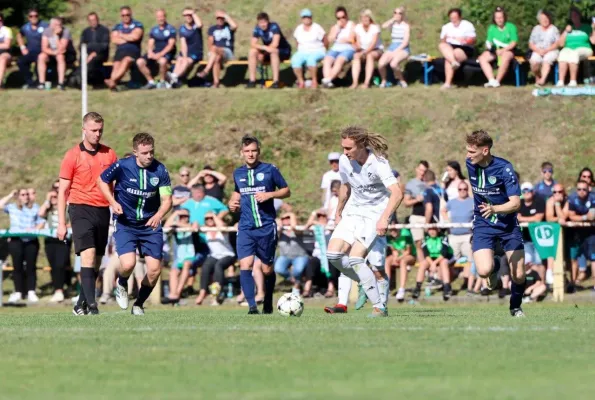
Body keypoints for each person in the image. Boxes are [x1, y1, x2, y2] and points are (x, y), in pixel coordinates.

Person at [323, 126, 403, 317]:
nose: (345, 152)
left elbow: (397, 192)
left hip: (374, 215)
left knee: (355, 258)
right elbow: (345, 186)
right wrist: (339, 211)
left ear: (361, 145)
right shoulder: (344, 161)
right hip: (353, 213)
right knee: (333, 255)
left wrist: (384, 218)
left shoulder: (379, 163)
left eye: (348, 148)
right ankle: (365, 281)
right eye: (343, 147)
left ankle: (379, 306)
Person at [97, 133, 173, 315]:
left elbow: (167, 199)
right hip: (126, 223)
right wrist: (112, 203)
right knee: (128, 264)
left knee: (154, 270)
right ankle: (121, 282)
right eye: (145, 153)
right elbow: (101, 181)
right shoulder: (122, 166)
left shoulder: (160, 170)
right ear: (135, 153)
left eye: (151, 152)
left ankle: (138, 304)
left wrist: (160, 214)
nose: (149, 156)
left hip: (150, 225)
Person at [57, 112, 117, 315]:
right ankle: (93, 306)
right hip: (80, 208)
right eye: (93, 130)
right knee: (88, 256)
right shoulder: (72, 155)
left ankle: (80, 304)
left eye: (100, 130)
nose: (97, 134)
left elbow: (115, 184)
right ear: (84, 130)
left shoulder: (109, 154)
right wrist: (61, 223)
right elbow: (62, 191)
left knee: (98, 261)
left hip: (102, 210)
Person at [465, 129, 526, 317]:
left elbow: (516, 203)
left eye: (471, 151)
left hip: (508, 226)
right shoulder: (470, 163)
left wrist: (495, 209)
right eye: (467, 150)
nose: (467, 155)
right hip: (483, 224)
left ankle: (515, 307)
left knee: (519, 275)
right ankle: (495, 268)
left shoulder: (504, 168)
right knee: (484, 270)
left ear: (485, 151)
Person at [228, 135, 290, 314]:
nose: (250, 154)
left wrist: (270, 195)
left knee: (266, 268)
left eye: (253, 150)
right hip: (246, 227)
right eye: (247, 151)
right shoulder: (238, 173)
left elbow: (286, 191)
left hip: (266, 226)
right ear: (241, 153)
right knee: (245, 264)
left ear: (258, 151)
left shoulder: (270, 169)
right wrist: (232, 203)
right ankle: (252, 306)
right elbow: (236, 192)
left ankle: (268, 299)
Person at [0, 189, 45, 304]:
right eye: (23, 194)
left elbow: (41, 221)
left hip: (31, 240)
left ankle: (31, 292)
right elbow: (1, 205)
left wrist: (35, 229)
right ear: (18, 196)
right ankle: (18, 292)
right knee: (17, 267)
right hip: (16, 240)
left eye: (27, 194)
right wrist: (11, 194)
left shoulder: (35, 207)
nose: (26, 197)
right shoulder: (12, 207)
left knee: (31, 267)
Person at [39, 188, 71, 303]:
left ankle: (59, 291)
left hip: (62, 240)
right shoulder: (48, 210)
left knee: (60, 265)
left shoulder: (66, 209)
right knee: (54, 266)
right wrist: (47, 200)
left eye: (55, 197)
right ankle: (57, 289)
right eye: (51, 197)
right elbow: (40, 213)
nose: (53, 199)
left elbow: (72, 222)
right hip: (50, 241)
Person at [198, 212, 236, 305]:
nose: (209, 220)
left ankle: (217, 294)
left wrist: (215, 216)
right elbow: (195, 226)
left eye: (211, 218)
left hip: (228, 254)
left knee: (218, 266)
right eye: (207, 218)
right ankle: (202, 293)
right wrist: (195, 224)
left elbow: (221, 225)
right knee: (206, 267)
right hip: (214, 255)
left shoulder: (222, 228)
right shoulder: (205, 229)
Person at [163, 208, 199, 304]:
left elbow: (194, 228)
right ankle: (172, 294)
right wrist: (175, 213)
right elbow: (166, 226)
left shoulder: (193, 223)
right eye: (181, 216)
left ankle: (177, 294)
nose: (183, 218)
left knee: (186, 265)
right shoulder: (174, 225)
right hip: (179, 257)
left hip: (190, 255)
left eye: (186, 216)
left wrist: (178, 223)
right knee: (173, 272)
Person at [443, 180, 474, 290]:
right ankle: (448, 284)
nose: (462, 191)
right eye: (460, 189)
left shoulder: (472, 201)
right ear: (457, 190)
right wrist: (448, 222)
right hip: (454, 236)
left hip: (467, 236)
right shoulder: (452, 202)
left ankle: (467, 283)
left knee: (470, 260)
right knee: (449, 260)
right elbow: (443, 210)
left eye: (465, 189)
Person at [104, 6, 144, 91]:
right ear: (121, 16)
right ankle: (113, 84)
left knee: (127, 60)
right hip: (120, 51)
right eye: (123, 15)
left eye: (127, 14)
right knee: (117, 64)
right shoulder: (117, 26)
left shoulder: (138, 24)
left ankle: (112, 81)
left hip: (133, 51)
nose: (125, 17)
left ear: (131, 14)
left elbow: (135, 37)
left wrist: (121, 35)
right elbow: (114, 39)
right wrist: (129, 37)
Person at [247, 12, 291, 88]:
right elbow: (253, 44)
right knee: (252, 51)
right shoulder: (257, 28)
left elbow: (275, 44)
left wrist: (263, 54)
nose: (263, 25)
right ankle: (252, 81)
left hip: (283, 51)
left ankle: (275, 82)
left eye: (264, 22)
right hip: (268, 50)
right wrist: (262, 50)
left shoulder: (274, 26)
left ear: (268, 21)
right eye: (260, 23)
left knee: (273, 51)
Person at [478, 7, 518, 88]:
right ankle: (491, 80)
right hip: (495, 50)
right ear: (494, 19)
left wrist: (503, 50)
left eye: (501, 17)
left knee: (506, 56)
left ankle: (498, 81)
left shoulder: (511, 27)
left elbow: (514, 42)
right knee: (482, 58)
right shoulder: (491, 28)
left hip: (509, 50)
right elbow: (489, 41)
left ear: (504, 18)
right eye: (497, 18)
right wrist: (488, 45)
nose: (499, 20)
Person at [137, 9, 177, 90]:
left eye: (162, 16)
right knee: (139, 62)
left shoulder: (171, 29)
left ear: (165, 17)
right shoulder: (154, 29)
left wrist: (160, 54)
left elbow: (170, 45)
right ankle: (151, 82)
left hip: (167, 52)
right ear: (156, 18)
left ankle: (163, 82)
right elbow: (151, 42)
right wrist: (150, 52)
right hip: (156, 51)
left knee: (162, 61)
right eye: (158, 17)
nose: (160, 19)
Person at [566, 180, 595, 291]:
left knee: (593, 259)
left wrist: (582, 217)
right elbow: (571, 216)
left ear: (588, 189)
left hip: (592, 233)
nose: (582, 191)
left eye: (584, 189)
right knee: (575, 257)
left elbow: (592, 215)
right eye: (579, 189)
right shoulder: (573, 199)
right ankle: (573, 284)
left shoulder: (593, 198)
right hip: (577, 233)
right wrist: (584, 217)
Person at [197, 10, 238, 88]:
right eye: (218, 18)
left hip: (227, 52)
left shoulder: (228, 27)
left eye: (222, 18)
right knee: (217, 57)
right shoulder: (212, 29)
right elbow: (210, 44)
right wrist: (213, 50)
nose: (220, 20)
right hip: (214, 53)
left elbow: (235, 26)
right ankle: (216, 83)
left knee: (216, 50)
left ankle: (206, 70)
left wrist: (225, 15)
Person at [438, 8, 476, 90]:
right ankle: (453, 62)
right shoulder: (446, 27)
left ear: (460, 17)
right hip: (450, 47)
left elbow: (473, 40)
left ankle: (448, 83)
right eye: (451, 18)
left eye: (455, 18)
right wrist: (445, 38)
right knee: (442, 45)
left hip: (464, 48)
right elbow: (443, 41)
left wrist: (465, 40)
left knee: (453, 55)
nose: (453, 20)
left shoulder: (467, 25)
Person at [412, 227, 454, 300]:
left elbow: (443, 253)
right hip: (431, 259)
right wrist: (432, 263)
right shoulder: (425, 238)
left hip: (443, 258)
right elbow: (426, 254)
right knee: (423, 264)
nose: (432, 232)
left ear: (438, 230)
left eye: (434, 229)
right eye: (430, 229)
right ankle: (417, 288)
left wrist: (434, 264)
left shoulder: (443, 237)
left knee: (444, 263)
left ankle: (447, 287)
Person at [557, 7, 595, 87]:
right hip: (568, 48)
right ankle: (560, 81)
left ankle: (573, 81)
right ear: (571, 18)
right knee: (562, 54)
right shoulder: (568, 28)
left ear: (579, 16)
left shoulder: (587, 27)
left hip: (585, 49)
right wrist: (565, 31)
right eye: (572, 16)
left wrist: (594, 28)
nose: (574, 17)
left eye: (576, 15)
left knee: (574, 53)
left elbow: (593, 41)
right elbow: (560, 44)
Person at [274, 212, 310, 295]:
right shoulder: (280, 231)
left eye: (288, 218)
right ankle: (296, 282)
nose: (285, 220)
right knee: (279, 269)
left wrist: (291, 215)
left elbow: (294, 228)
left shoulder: (298, 229)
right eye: (283, 218)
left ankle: (296, 287)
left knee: (297, 271)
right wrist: (278, 223)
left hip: (300, 256)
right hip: (285, 256)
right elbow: (275, 235)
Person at [291, 9, 327, 89]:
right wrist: (300, 50)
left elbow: (325, 39)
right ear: (302, 19)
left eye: (308, 17)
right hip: (303, 51)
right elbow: (296, 41)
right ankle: (301, 82)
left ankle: (314, 81)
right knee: (295, 60)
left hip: (317, 50)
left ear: (311, 17)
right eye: (304, 17)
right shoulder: (299, 29)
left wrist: (324, 49)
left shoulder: (317, 27)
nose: (306, 19)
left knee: (311, 59)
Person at [38, 17, 76, 90]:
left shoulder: (66, 32)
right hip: (52, 53)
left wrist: (56, 36)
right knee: (41, 56)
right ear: (51, 25)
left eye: (59, 25)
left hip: (66, 54)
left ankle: (61, 83)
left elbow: (62, 49)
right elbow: (44, 48)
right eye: (56, 25)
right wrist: (53, 52)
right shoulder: (46, 31)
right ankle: (41, 83)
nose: (58, 27)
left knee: (60, 57)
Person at [321, 6, 355, 88]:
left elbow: (352, 39)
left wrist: (345, 40)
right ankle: (328, 81)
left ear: (346, 16)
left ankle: (327, 80)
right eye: (338, 18)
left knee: (339, 60)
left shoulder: (351, 25)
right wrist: (337, 28)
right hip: (335, 48)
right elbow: (330, 39)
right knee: (327, 60)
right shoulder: (335, 27)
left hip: (348, 48)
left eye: (343, 17)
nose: (341, 19)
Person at [517, 182, 546, 280]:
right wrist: (531, 218)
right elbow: (516, 218)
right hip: (525, 238)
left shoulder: (539, 201)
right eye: (524, 191)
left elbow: (538, 218)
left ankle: (542, 283)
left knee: (539, 262)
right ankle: (534, 284)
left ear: (533, 191)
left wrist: (523, 218)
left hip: (539, 238)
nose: (526, 193)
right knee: (529, 262)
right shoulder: (519, 203)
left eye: (528, 190)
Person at [168, 8, 203, 88]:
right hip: (186, 52)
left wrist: (193, 13)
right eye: (186, 15)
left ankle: (173, 77)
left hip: (196, 53)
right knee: (180, 60)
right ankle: (174, 79)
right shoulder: (182, 29)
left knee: (186, 61)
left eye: (190, 15)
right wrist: (184, 56)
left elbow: (200, 24)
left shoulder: (196, 26)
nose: (188, 17)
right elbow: (183, 44)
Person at [378, 6, 410, 88]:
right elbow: (383, 26)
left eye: (399, 13)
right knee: (381, 64)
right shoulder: (392, 24)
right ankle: (384, 80)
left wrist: (396, 51)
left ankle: (402, 80)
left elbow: (405, 42)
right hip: (392, 46)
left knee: (393, 64)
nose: (397, 15)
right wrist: (392, 20)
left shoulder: (406, 26)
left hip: (403, 47)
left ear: (403, 15)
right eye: (395, 13)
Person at [17, 8, 49, 89]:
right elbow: (19, 36)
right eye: (31, 16)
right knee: (21, 62)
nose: (33, 17)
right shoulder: (25, 27)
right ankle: (30, 82)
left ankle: (40, 82)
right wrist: (22, 47)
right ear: (28, 17)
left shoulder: (45, 25)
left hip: (43, 51)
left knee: (40, 60)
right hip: (30, 51)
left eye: (36, 15)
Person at [350, 9, 383, 89]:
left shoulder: (375, 28)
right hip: (363, 49)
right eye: (363, 17)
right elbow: (358, 42)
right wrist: (355, 46)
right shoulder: (358, 27)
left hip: (376, 49)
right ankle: (355, 82)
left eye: (367, 17)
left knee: (370, 56)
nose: (365, 19)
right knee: (356, 56)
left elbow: (373, 43)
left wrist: (365, 52)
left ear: (370, 18)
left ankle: (366, 83)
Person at [404, 160, 429, 264]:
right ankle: (423, 266)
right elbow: (406, 202)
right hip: (416, 216)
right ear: (416, 169)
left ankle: (432, 270)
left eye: (424, 171)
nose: (422, 172)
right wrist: (416, 200)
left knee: (429, 242)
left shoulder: (430, 182)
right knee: (418, 243)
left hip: (429, 215)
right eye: (420, 170)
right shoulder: (411, 184)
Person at [528, 11, 560, 87]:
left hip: (551, 50)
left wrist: (547, 50)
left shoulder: (554, 29)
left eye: (546, 18)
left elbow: (557, 43)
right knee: (534, 62)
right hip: (538, 50)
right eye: (543, 19)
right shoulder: (536, 29)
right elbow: (530, 43)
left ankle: (543, 80)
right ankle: (538, 77)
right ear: (539, 20)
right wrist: (538, 50)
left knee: (547, 60)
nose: (545, 20)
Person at [544, 183, 567, 285]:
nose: (557, 194)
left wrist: (557, 205)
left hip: (568, 233)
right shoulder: (549, 201)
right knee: (551, 252)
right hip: (552, 233)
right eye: (554, 192)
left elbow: (564, 217)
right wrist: (558, 218)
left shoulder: (567, 201)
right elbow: (549, 218)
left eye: (559, 192)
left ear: (564, 192)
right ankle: (549, 273)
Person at [385, 227, 416, 302]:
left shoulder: (406, 234)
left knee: (403, 261)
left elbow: (408, 251)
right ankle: (386, 288)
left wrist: (398, 258)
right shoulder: (389, 237)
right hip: (399, 256)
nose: (393, 232)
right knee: (387, 261)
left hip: (410, 256)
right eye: (391, 230)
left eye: (395, 229)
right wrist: (395, 257)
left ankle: (401, 289)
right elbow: (394, 251)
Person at [80, 12, 110, 85]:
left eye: (94, 20)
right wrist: (87, 54)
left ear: (98, 20)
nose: (93, 22)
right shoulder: (85, 32)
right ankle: (79, 80)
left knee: (93, 62)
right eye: (90, 20)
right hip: (87, 55)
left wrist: (93, 53)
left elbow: (104, 46)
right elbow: (81, 45)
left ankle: (93, 81)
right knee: (82, 61)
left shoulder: (104, 30)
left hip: (101, 55)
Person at [0, 13, 13, 89]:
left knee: (2, 58)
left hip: (5, 53)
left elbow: (7, 45)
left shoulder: (7, 30)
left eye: (0, 20)